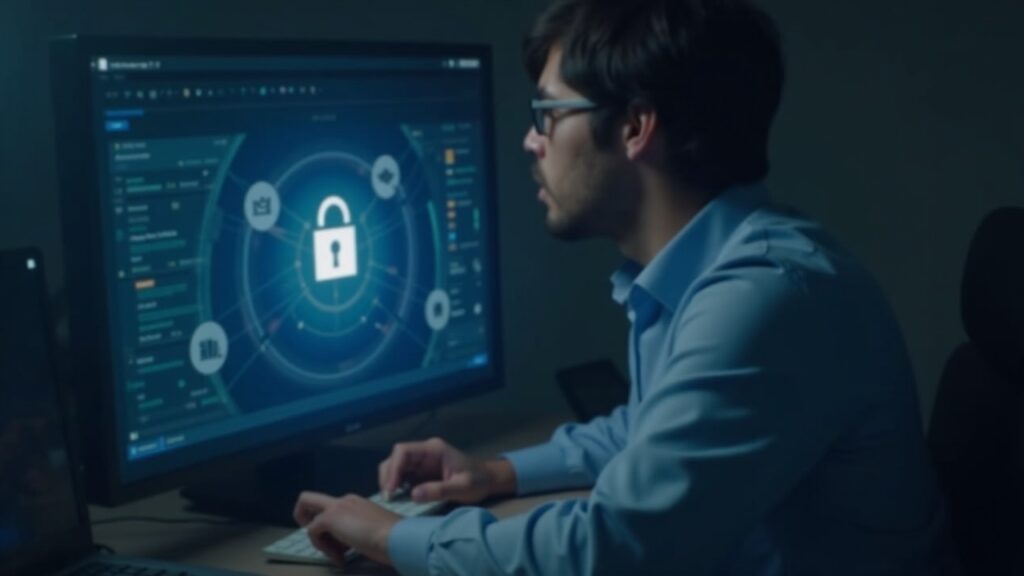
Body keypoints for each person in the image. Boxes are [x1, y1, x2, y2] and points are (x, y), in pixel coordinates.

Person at [293, 0, 950, 573]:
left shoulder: (763, 300)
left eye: (547, 113)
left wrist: (398, 537)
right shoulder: (721, 269)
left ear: (637, 126)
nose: (529, 140)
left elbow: (610, 552)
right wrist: (498, 473)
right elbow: (651, 431)